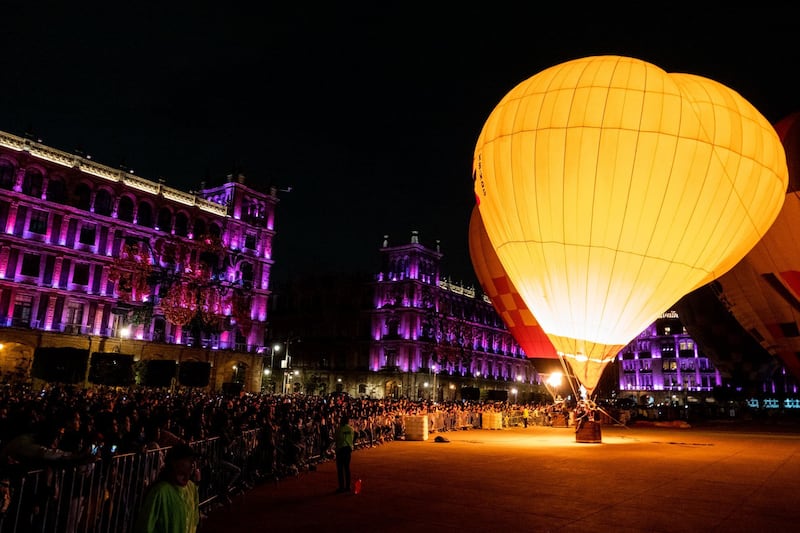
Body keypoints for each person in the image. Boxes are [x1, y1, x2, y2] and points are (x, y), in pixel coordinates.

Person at [134, 443, 200, 533]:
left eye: (193, 461)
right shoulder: (160, 492)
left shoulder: (191, 488)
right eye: (188, 460)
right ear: (175, 463)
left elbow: (194, 520)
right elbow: (145, 527)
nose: (192, 465)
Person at [334, 415, 354, 493]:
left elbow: (336, 439)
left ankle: (341, 487)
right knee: (347, 468)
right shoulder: (351, 429)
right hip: (348, 449)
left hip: (341, 449)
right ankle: (348, 486)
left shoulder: (339, 429)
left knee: (340, 469)